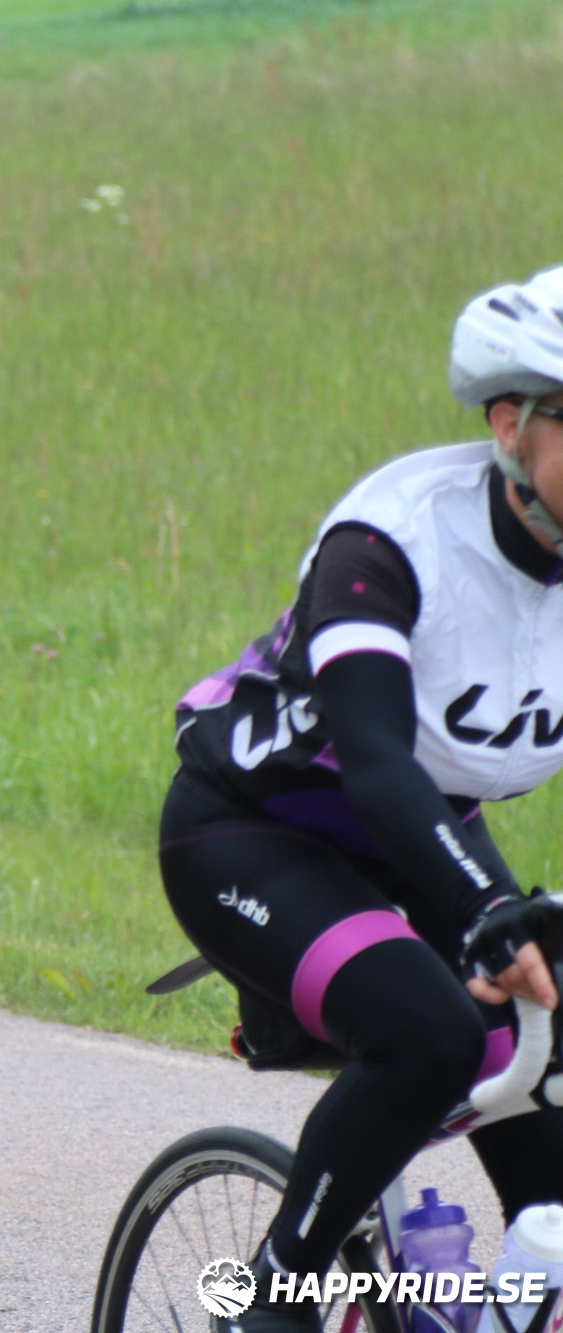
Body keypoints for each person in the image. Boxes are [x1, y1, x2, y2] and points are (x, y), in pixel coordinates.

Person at [160, 267, 563, 1331]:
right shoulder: (390, 541)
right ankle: (273, 1297)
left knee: (550, 1092)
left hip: (428, 835)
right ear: (511, 424)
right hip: (254, 832)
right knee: (429, 1031)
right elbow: (378, 758)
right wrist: (488, 909)